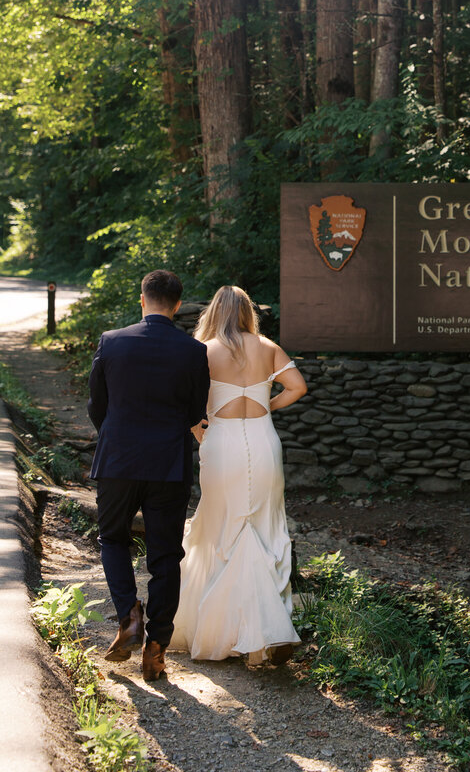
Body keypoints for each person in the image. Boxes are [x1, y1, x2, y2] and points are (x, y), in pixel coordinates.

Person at [171, 285, 307, 668]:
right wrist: (267, 406)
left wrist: (201, 430)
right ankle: (264, 634)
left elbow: (184, 402)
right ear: (248, 312)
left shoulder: (205, 351)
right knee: (263, 526)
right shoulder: (268, 347)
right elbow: (298, 387)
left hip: (222, 442)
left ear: (214, 312)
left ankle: (221, 631)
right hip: (263, 440)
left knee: (221, 524)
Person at [88, 269, 210, 682]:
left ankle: (129, 615)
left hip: (118, 460)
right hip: (168, 465)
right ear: (177, 305)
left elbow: (96, 406)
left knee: (112, 538)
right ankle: (157, 647)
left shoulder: (112, 341)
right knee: (165, 556)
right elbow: (197, 413)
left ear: (142, 300)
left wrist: (116, 435)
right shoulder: (193, 351)